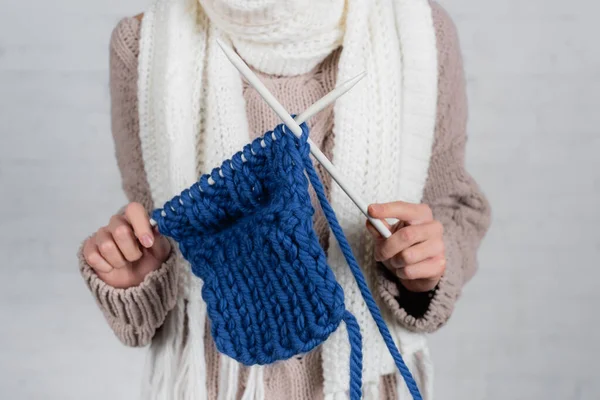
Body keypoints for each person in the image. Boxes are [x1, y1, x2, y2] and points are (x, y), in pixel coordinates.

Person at [78, 0, 491, 398]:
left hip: (363, 379)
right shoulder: (145, 44)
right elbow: (157, 231)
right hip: (217, 382)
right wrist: (136, 278)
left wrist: (424, 266)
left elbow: (453, 208)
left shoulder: (419, 32)